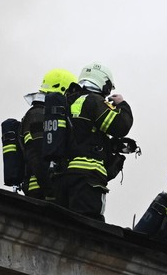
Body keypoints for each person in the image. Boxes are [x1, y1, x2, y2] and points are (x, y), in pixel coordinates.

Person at [52, 62, 133, 221]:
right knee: (88, 227)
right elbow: (120, 126)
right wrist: (122, 105)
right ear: (103, 82)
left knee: (62, 226)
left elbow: (81, 135)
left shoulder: (66, 101)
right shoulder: (93, 101)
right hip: (87, 178)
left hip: (62, 176)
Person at [19, 68, 77, 200]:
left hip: (47, 188)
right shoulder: (38, 114)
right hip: (41, 192)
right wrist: (51, 193)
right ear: (62, 89)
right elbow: (37, 156)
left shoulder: (47, 113)